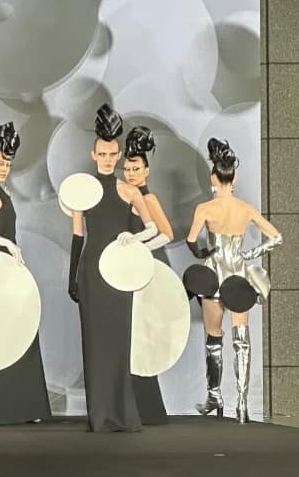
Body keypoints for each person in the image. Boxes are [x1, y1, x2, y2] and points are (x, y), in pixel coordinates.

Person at [67, 105, 156, 433]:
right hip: (92, 271)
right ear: (94, 154)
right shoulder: (82, 191)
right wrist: (72, 277)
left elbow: (152, 228)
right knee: (94, 344)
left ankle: (122, 413)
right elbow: (78, 235)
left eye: (112, 154)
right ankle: (100, 415)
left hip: (120, 274)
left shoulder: (129, 191)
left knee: (119, 342)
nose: (107, 158)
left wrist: (133, 237)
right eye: (102, 153)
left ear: (119, 156)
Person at [186, 137, 282, 423]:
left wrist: (202, 252)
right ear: (234, 177)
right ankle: (242, 403)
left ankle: (215, 395)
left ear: (213, 177)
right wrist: (251, 253)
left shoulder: (205, 209)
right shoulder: (246, 209)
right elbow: (276, 237)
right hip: (238, 275)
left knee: (213, 337)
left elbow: (191, 240)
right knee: (242, 340)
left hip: (214, 276)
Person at [0, 122, 51, 425]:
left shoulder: (4, 190)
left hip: (10, 266)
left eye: (8, 164)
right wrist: (4, 242)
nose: (4, 168)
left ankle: (25, 406)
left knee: (20, 329)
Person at [123, 125, 174, 426]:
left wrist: (141, 247)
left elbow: (166, 234)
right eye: (127, 169)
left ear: (146, 171)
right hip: (132, 269)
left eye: (136, 168)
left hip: (147, 270)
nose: (131, 173)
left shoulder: (148, 199)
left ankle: (149, 408)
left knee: (141, 337)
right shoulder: (127, 196)